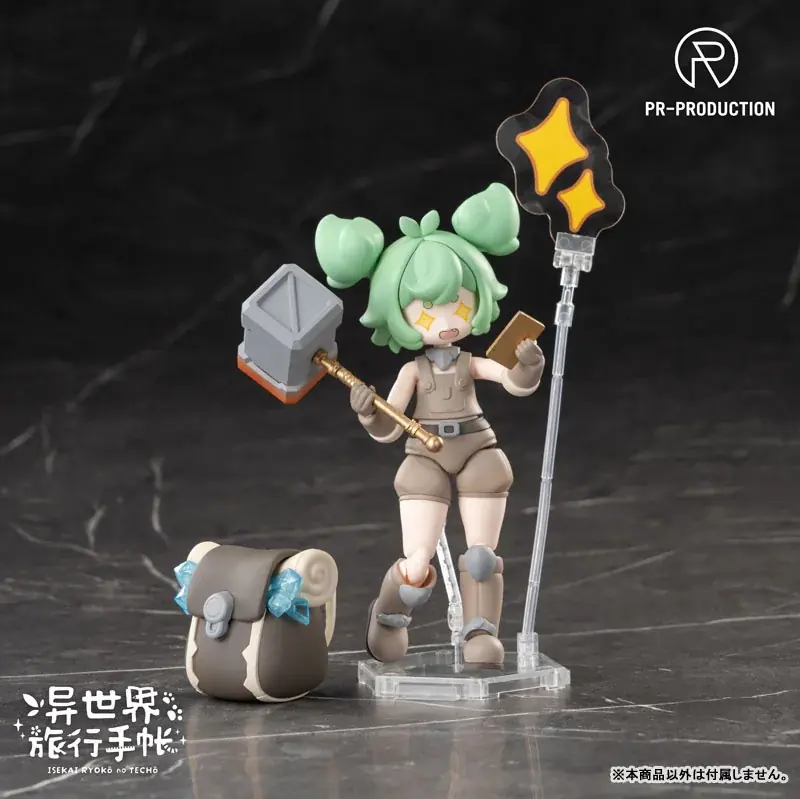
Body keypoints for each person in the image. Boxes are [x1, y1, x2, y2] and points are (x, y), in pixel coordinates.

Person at [314, 183, 545, 666]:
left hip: (477, 449)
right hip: (425, 457)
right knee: (417, 560)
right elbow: (390, 426)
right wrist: (368, 411)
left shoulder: (470, 363)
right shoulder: (411, 371)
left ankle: (481, 631)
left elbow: (512, 381)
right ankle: (389, 617)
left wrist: (529, 366)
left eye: (459, 305)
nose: (446, 320)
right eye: (425, 311)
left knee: (481, 555)